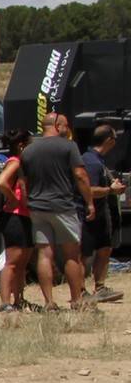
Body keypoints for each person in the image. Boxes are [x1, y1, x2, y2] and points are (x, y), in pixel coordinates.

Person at [21, 111, 93, 310]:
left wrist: (30, 203)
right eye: (66, 125)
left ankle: (49, 302)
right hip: (63, 207)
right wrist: (89, 202)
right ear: (58, 125)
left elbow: (23, 183)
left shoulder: (28, 150)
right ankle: (77, 301)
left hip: (37, 208)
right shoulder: (68, 146)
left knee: (44, 254)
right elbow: (80, 175)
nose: (68, 129)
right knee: (71, 255)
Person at [77, 120, 125, 302]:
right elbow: (88, 190)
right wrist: (111, 190)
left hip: (101, 213)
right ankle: (80, 291)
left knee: (105, 249)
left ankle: (100, 287)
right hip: (88, 214)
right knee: (85, 254)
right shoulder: (90, 162)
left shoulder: (98, 161)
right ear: (108, 141)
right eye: (114, 138)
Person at [0, 125, 35, 313]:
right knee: (12, 261)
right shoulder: (15, 162)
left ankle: (19, 299)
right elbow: (1, 182)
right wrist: (13, 198)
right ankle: (5, 301)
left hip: (24, 215)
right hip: (14, 217)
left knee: (23, 261)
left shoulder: (20, 162)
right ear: (21, 145)